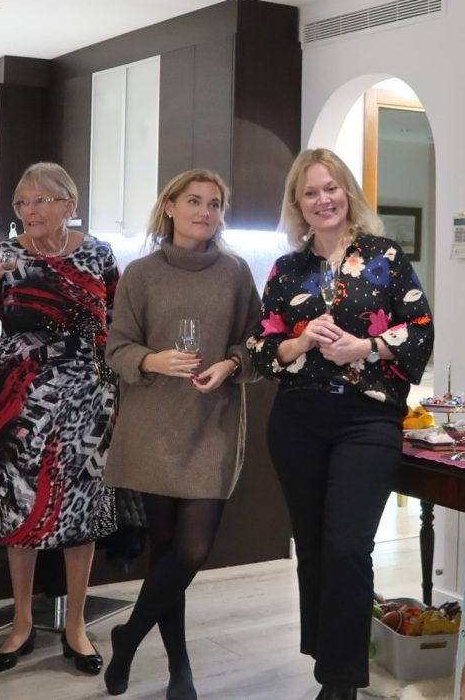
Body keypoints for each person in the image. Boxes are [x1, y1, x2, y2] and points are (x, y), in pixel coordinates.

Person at [246, 149, 433, 700]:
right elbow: (259, 350)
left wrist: (365, 347)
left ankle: (343, 680)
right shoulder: (287, 270)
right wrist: (301, 340)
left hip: (367, 420)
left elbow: (420, 330)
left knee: (348, 546)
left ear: (347, 192)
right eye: (310, 192)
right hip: (298, 421)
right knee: (313, 546)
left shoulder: (385, 256)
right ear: (297, 204)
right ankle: (329, 665)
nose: (323, 199)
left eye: (331, 188)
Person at [101, 169, 263, 700]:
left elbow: (256, 343)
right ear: (169, 206)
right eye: (194, 201)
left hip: (212, 424)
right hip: (153, 428)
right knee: (167, 552)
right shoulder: (140, 274)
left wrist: (230, 364)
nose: (205, 212)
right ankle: (180, 668)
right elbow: (116, 348)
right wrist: (152, 359)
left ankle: (128, 639)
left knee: (191, 551)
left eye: (215, 204)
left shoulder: (236, 273)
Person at [0, 162, 119, 676]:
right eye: (22, 203)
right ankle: (22, 623)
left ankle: (76, 625)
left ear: (69, 205)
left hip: (89, 400)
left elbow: (118, 329)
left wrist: (114, 391)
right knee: (19, 512)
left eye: (40, 201)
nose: (29, 211)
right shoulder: (6, 256)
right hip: (21, 403)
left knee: (81, 513)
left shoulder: (99, 255)